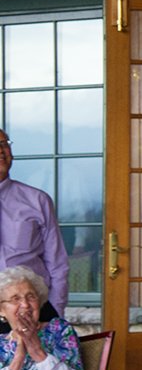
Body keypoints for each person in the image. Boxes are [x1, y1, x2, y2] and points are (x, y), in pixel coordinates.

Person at [0, 131, 70, 316]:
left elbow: (57, 262)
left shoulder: (37, 200)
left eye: (4, 144)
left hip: (33, 308)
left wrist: (55, 310)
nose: (1, 151)